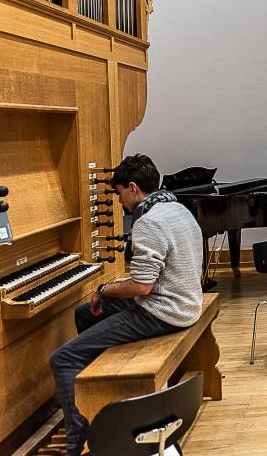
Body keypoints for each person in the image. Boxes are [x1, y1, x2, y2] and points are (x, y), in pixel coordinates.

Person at [50, 154, 203, 456]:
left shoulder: (148, 222)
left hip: (162, 313)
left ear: (133, 188)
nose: (119, 201)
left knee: (63, 358)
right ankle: (103, 399)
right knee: (84, 314)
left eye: (119, 192)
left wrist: (104, 289)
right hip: (186, 303)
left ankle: (77, 442)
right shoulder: (177, 209)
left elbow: (142, 286)